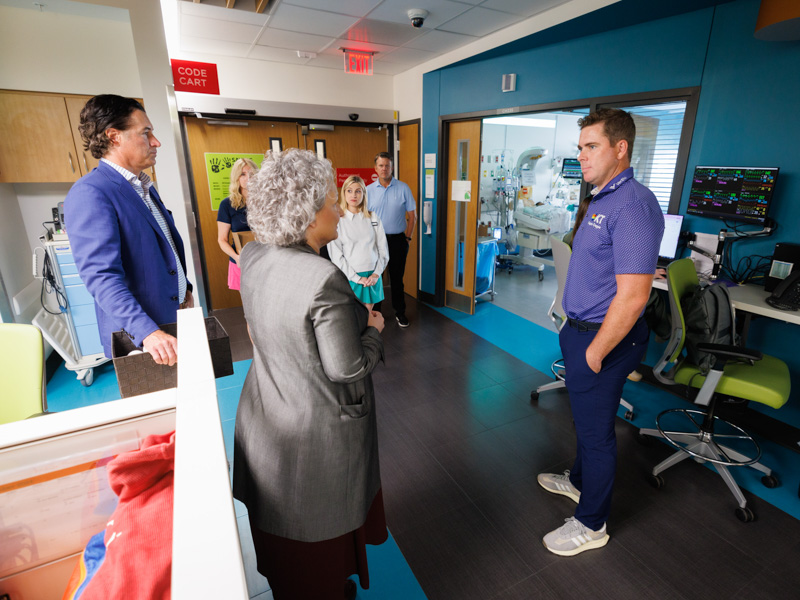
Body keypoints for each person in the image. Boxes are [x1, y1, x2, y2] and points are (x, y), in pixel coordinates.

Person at [232, 149, 387, 600]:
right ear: (306, 213)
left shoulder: (254, 256)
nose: (338, 207)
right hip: (314, 431)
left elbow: (259, 332)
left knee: (284, 542)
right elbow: (348, 366)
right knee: (319, 528)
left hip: (266, 408)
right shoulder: (321, 278)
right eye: (329, 201)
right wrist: (374, 330)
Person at [537, 108, 664, 556]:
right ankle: (577, 482)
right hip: (581, 330)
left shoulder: (632, 205)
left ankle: (592, 524)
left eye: (592, 147)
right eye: (580, 148)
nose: (582, 157)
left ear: (620, 148)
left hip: (603, 340)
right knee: (586, 422)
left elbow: (633, 298)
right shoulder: (603, 198)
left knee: (596, 434)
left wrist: (594, 353)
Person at [64, 95, 193, 366]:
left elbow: (162, 247)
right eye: (146, 133)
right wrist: (148, 332)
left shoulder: (143, 187)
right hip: (144, 335)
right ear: (114, 136)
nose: (155, 141)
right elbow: (102, 276)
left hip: (171, 317)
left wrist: (185, 290)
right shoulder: (92, 192)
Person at [366, 151, 417, 328]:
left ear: (392, 167)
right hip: (375, 242)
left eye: (387, 165)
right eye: (381, 165)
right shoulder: (369, 190)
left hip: (397, 241)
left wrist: (408, 239)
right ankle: (375, 314)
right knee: (376, 278)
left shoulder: (403, 188)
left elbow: (412, 215)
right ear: (376, 168)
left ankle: (400, 313)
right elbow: (364, 216)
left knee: (397, 279)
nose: (384, 168)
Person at [328, 175, 389, 311]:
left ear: (364, 194)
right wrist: (356, 278)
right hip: (350, 277)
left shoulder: (373, 217)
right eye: (349, 191)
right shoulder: (338, 220)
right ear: (343, 193)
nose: (353, 195)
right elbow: (336, 256)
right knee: (353, 319)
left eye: (358, 191)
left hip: (372, 277)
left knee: (369, 318)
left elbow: (383, 250)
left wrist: (376, 274)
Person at [216, 157, 257, 291]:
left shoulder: (265, 201)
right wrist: (237, 258)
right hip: (240, 260)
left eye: (251, 174)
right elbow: (222, 240)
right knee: (248, 306)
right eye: (243, 174)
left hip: (263, 258)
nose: (248, 178)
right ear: (236, 178)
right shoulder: (227, 204)